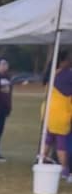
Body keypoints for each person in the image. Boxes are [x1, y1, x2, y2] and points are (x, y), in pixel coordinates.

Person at [38, 51, 72, 180]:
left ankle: (41, 161)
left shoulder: (51, 73)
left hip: (48, 113)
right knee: (61, 144)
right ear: (62, 61)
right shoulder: (67, 75)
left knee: (48, 140)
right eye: (68, 59)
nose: (70, 62)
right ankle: (65, 170)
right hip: (60, 114)